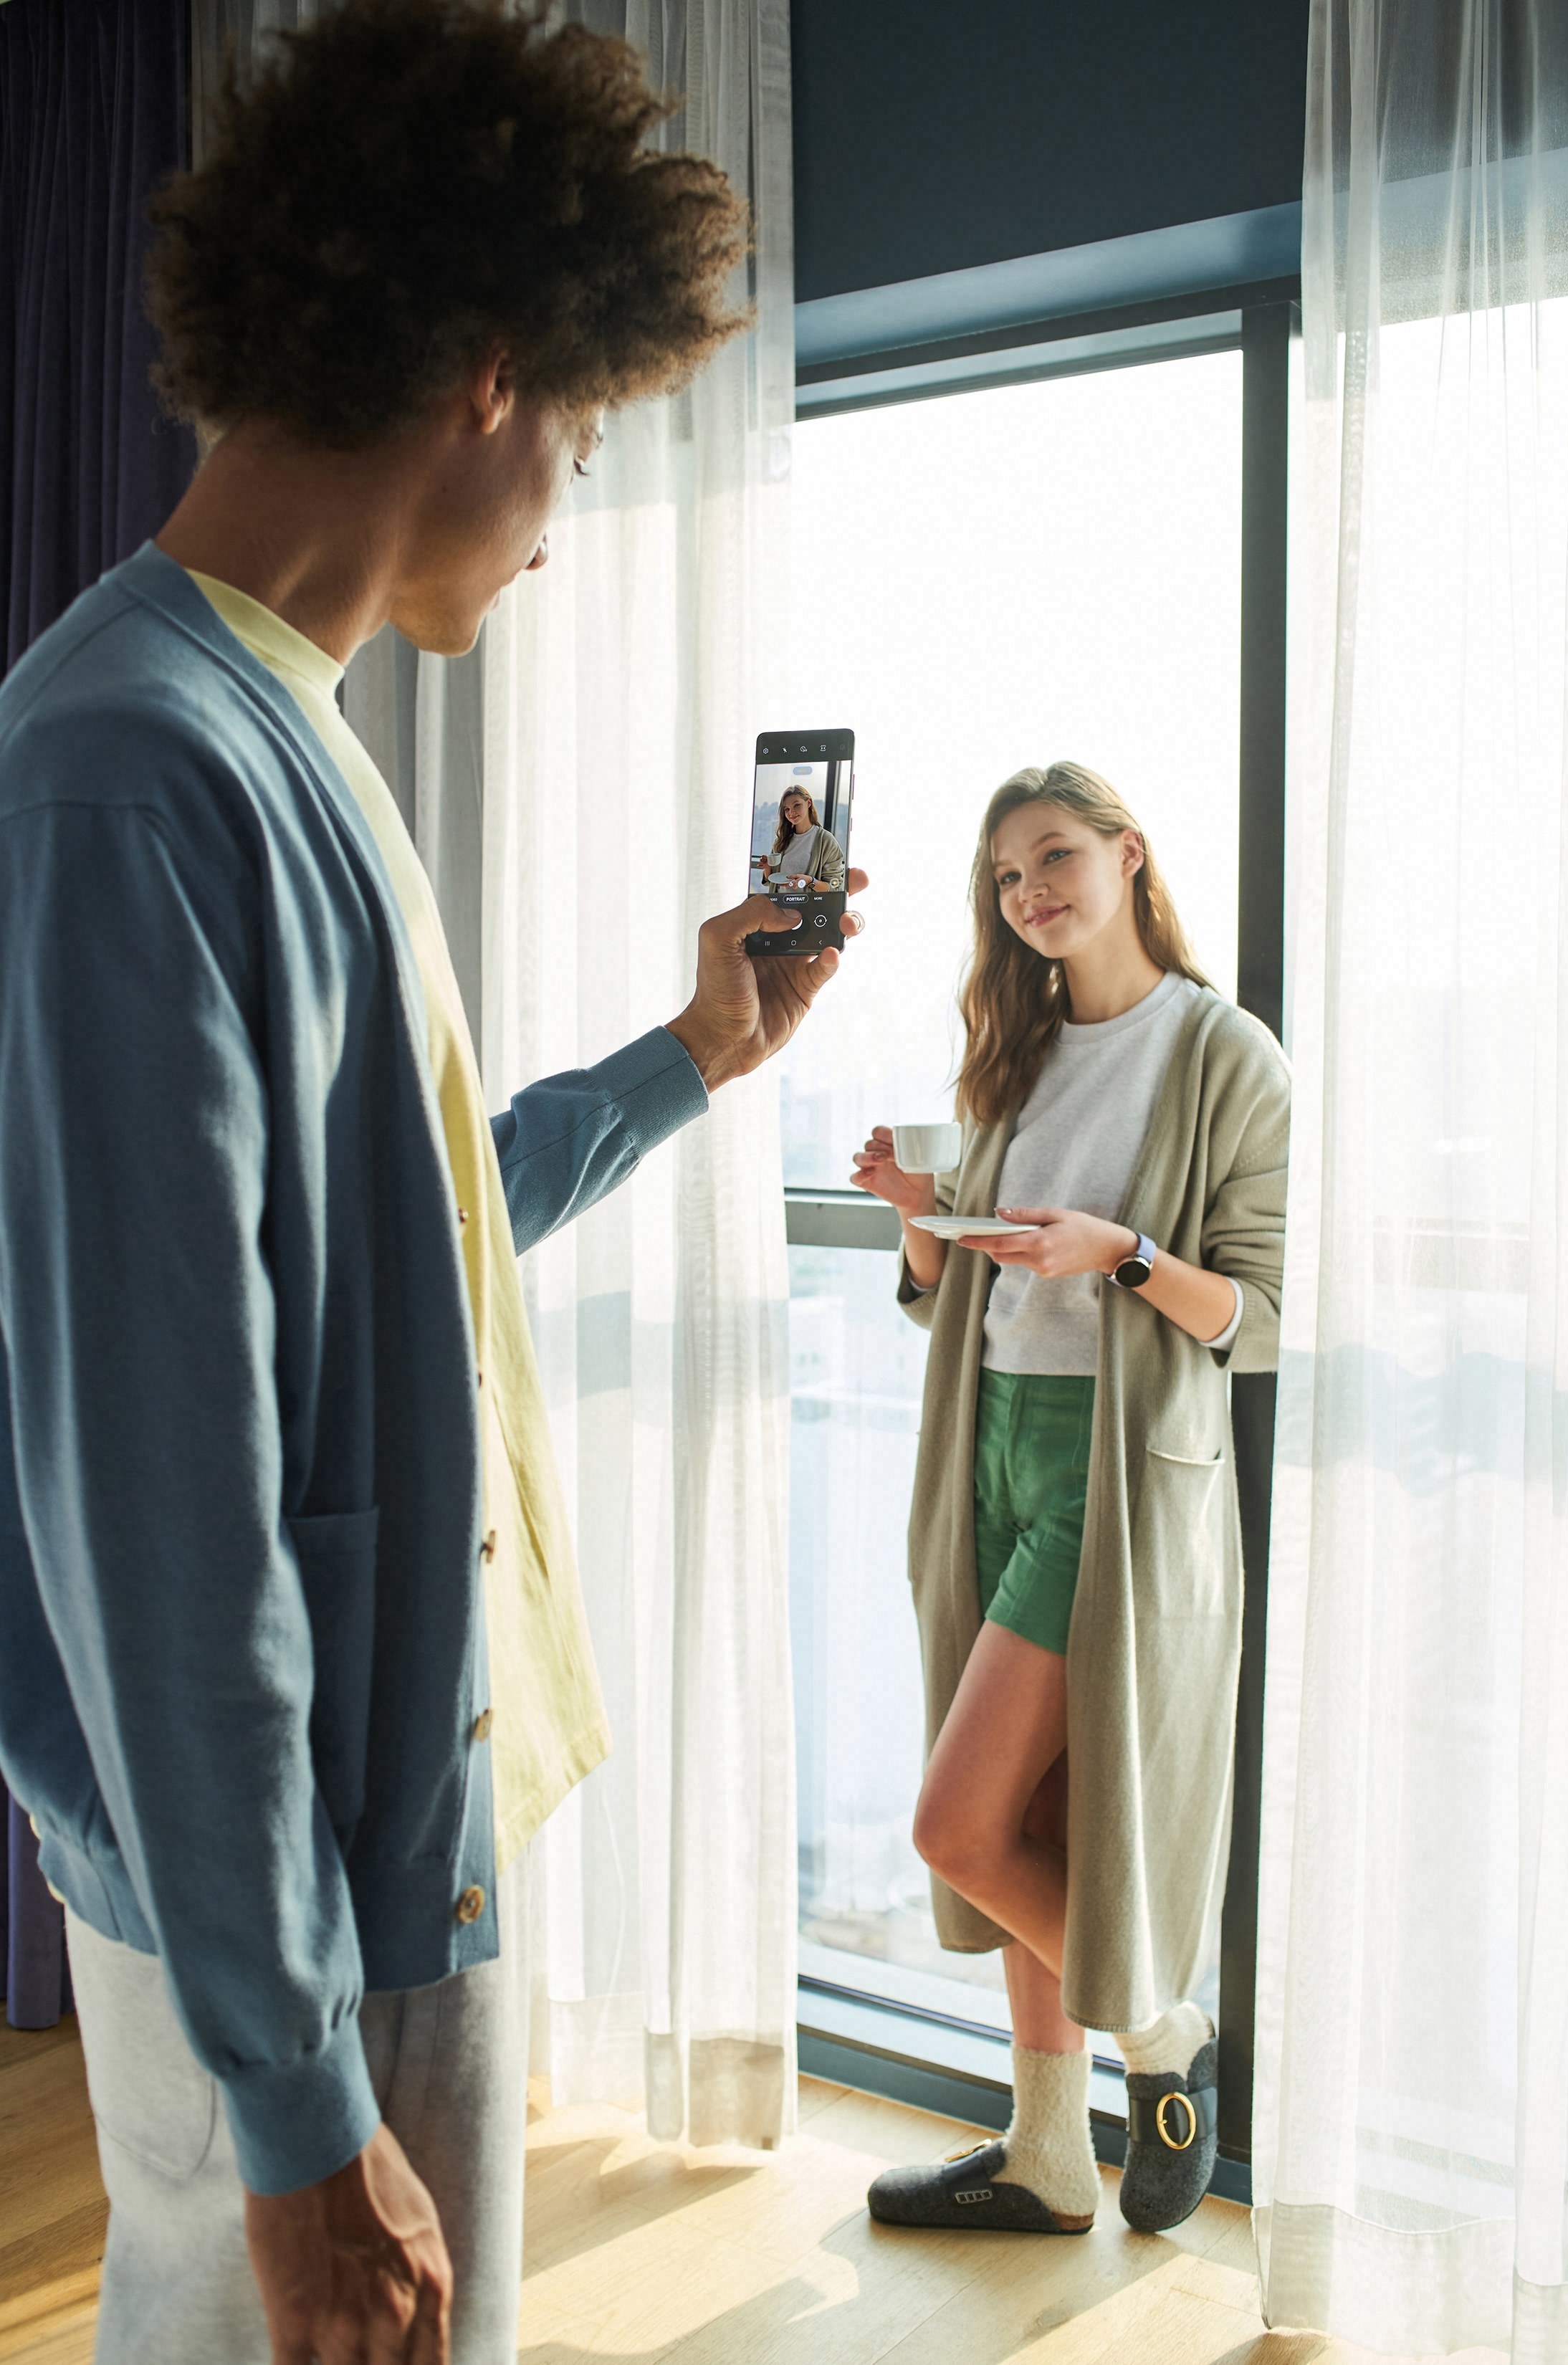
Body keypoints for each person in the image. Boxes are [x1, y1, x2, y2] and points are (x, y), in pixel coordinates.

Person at [0, 7, 864, 2363]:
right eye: (585, 427)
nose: (577, 504)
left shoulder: (280, 727)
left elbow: (391, 1242)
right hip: (288, 1900)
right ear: (493, 371)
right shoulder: (129, 774)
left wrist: (700, 1053)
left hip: (373, 1842)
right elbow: (155, 1493)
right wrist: (293, 2109)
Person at [850, 762, 1286, 2239]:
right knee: (1021, 1807)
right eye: (1003, 875)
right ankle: (1043, 2153)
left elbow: (1263, 1316)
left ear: (1126, 854)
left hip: (1108, 1479)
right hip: (985, 1456)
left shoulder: (1223, 1056)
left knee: (956, 1825)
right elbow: (949, 1299)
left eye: (1051, 856)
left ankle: (1160, 2036)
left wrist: (1117, 1254)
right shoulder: (1014, 1050)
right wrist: (921, 1235)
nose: (1027, 891)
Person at [754, 783, 846, 892]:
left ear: (809, 803)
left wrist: (810, 881)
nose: (791, 813)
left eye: (797, 805)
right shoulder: (783, 839)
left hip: (805, 906)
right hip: (779, 902)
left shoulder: (825, 840)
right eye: (787, 809)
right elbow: (771, 882)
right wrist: (767, 867)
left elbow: (834, 887)